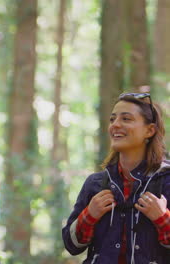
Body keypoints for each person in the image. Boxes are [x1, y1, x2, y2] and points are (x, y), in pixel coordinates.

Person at [62, 92, 170, 263]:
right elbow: (71, 245)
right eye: (112, 119)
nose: (115, 125)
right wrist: (89, 214)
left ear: (150, 130)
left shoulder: (166, 180)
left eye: (126, 119)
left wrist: (162, 218)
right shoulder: (95, 183)